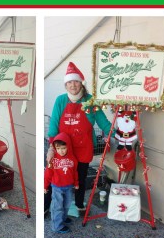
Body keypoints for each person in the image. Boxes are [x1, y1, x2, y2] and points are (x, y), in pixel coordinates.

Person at [46, 62, 113, 213]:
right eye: (69, 82)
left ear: (81, 82)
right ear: (65, 85)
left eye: (75, 81)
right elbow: (54, 124)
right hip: (63, 148)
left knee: (80, 178)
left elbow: (104, 123)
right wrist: (52, 145)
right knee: (59, 176)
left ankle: (78, 204)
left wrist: (117, 134)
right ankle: (53, 205)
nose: (73, 85)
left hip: (83, 147)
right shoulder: (60, 100)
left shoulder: (90, 101)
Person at [44, 132, 79, 233]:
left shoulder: (73, 159)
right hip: (57, 187)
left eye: (63, 148)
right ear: (55, 148)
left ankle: (62, 219)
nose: (61, 151)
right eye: (58, 148)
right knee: (57, 206)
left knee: (67, 205)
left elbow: (75, 172)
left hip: (68, 186)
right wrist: (45, 186)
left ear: (68, 146)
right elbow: (48, 173)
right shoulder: (53, 159)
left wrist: (76, 183)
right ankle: (57, 226)